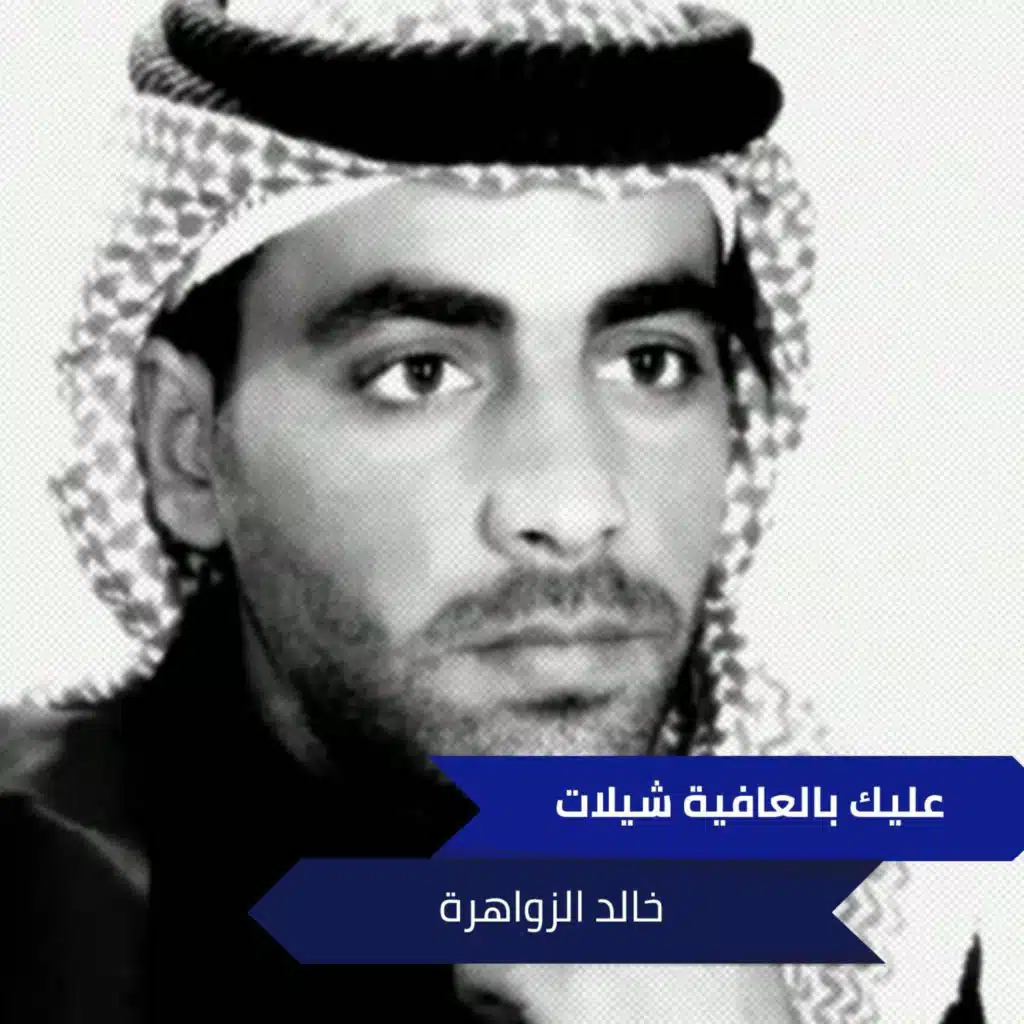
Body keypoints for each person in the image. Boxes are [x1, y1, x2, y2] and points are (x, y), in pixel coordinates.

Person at [0, 0, 987, 1020]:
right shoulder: (35, 902)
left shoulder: (885, 946)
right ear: (187, 450)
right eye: (420, 373)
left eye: (650, 363)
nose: (573, 506)